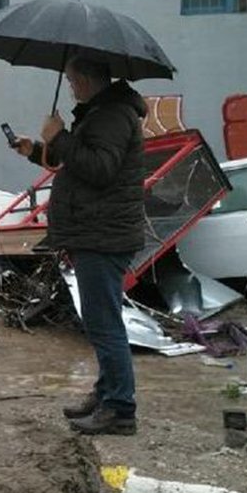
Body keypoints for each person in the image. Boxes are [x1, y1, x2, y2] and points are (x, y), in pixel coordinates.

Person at [12, 54, 147, 436]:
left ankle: (119, 409)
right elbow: (78, 161)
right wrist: (37, 149)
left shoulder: (113, 116)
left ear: (86, 79)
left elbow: (100, 169)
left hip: (103, 235)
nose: (71, 88)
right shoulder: (101, 113)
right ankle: (107, 394)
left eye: (72, 81)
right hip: (96, 232)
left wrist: (59, 136)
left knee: (104, 324)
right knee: (101, 321)